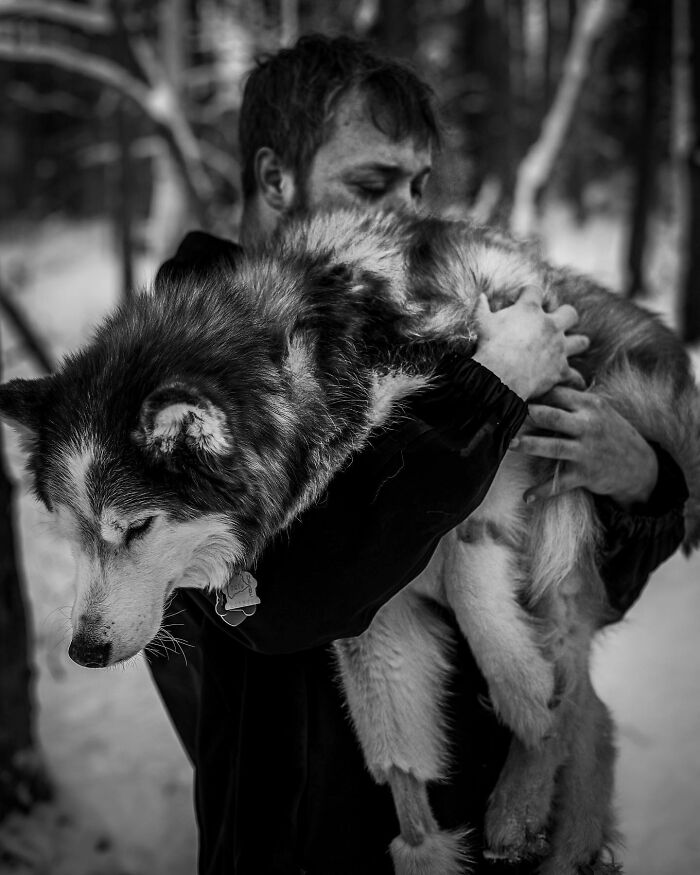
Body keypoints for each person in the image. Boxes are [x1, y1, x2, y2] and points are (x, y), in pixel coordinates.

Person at [148, 35, 688, 875]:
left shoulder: (425, 316)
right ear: (275, 179)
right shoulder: (182, 378)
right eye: (372, 183)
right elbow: (291, 600)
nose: (408, 211)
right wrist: (490, 389)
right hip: (318, 841)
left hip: (504, 827)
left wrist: (644, 479)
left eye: (419, 185)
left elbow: (587, 595)